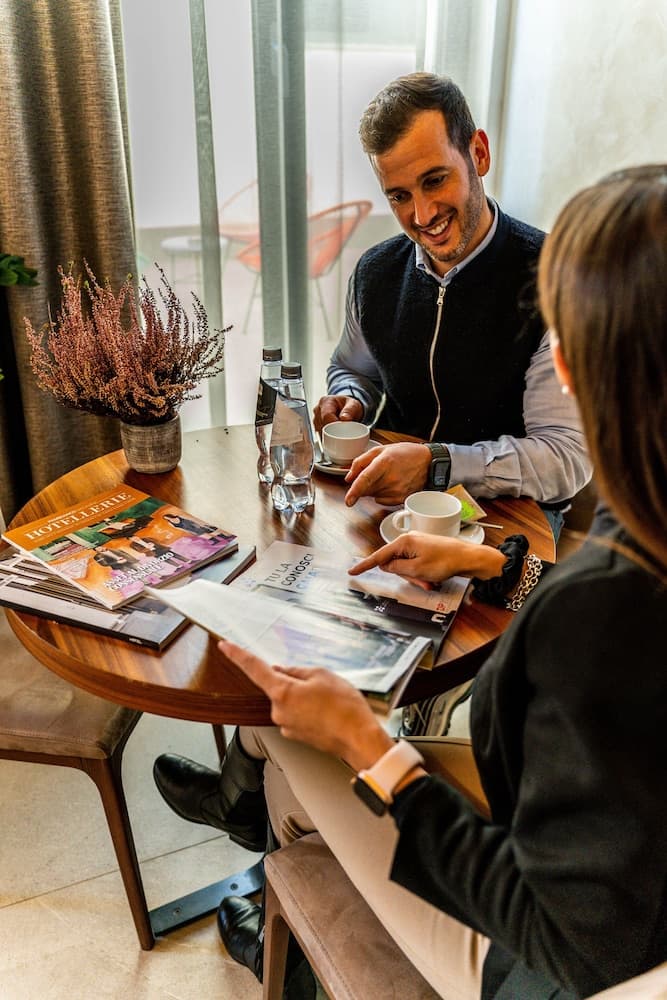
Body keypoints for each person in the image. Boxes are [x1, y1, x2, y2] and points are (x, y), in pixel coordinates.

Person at [154, 165, 667, 999]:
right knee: (300, 742)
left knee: (296, 731)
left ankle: (292, 952)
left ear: (571, 365)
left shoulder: (602, 606)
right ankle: (279, 903)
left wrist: (370, 747)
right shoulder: (643, 515)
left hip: (539, 964)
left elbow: (569, 940)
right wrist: (493, 564)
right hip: (608, 858)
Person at [313, 73, 591, 535]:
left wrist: (437, 464)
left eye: (435, 180)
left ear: (478, 154)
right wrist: (351, 399)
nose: (422, 216)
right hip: (390, 506)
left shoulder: (555, 279)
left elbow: (564, 458)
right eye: (399, 196)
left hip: (510, 516)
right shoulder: (373, 272)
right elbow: (354, 369)